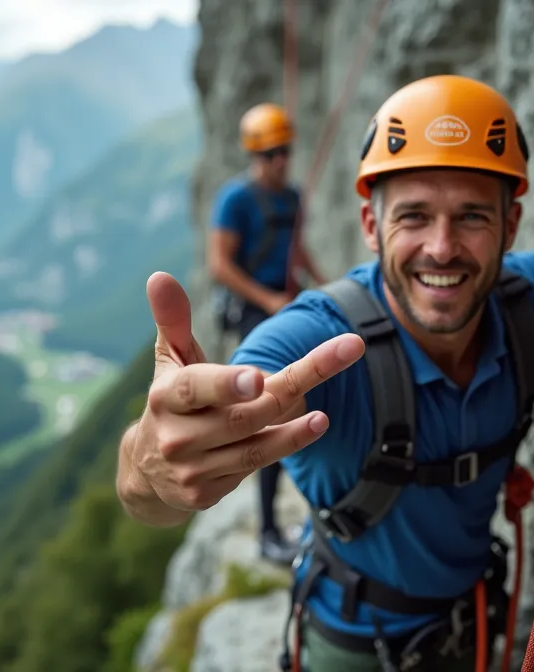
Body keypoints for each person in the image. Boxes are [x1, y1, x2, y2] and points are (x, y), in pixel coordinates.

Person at [118, 54, 534, 671]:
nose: (441, 249)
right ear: (371, 223)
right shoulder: (321, 345)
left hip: (474, 624)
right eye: (414, 216)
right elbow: (152, 484)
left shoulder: (533, 297)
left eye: (472, 216)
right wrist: (150, 464)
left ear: (510, 224)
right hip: (352, 646)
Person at [207, 101, 326, 565]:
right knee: (270, 411)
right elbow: (220, 264)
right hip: (256, 313)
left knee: (309, 398)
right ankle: (269, 532)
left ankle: (304, 515)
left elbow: (297, 250)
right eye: (270, 153)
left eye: (285, 151)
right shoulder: (236, 200)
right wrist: (267, 299)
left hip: (287, 303)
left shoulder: (292, 197)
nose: (279, 160)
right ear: (255, 155)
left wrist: (322, 280)